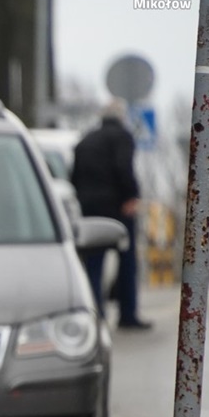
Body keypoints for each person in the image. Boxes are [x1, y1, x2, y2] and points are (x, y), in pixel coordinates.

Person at [70, 100, 152, 329]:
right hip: (118, 208)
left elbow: (74, 176)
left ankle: (96, 315)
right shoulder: (122, 137)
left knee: (94, 264)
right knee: (127, 262)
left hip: (90, 209)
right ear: (121, 118)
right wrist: (131, 196)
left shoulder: (85, 140)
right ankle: (128, 315)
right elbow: (123, 167)